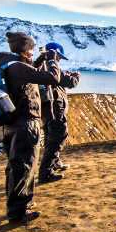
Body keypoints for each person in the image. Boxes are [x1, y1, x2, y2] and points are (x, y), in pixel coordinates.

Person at [0, 31, 61, 223]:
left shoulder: (10, 65)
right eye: (31, 49)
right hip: (25, 125)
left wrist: (40, 59)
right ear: (24, 50)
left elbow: (30, 72)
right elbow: (52, 78)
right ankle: (19, 212)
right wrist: (54, 61)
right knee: (25, 167)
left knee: (15, 167)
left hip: (13, 125)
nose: (32, 52)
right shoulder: (18, 68)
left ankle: (16, 207)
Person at [35, 42, 79, 183]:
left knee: (50, 137)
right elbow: (70, 82)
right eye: (58, 56)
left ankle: (55, 162)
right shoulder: (51, 67)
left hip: (47, 111)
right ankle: (46, 173)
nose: (59, 59)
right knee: (58, 137)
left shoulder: (42, 66)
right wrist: (76, 76)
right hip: (55, 110)